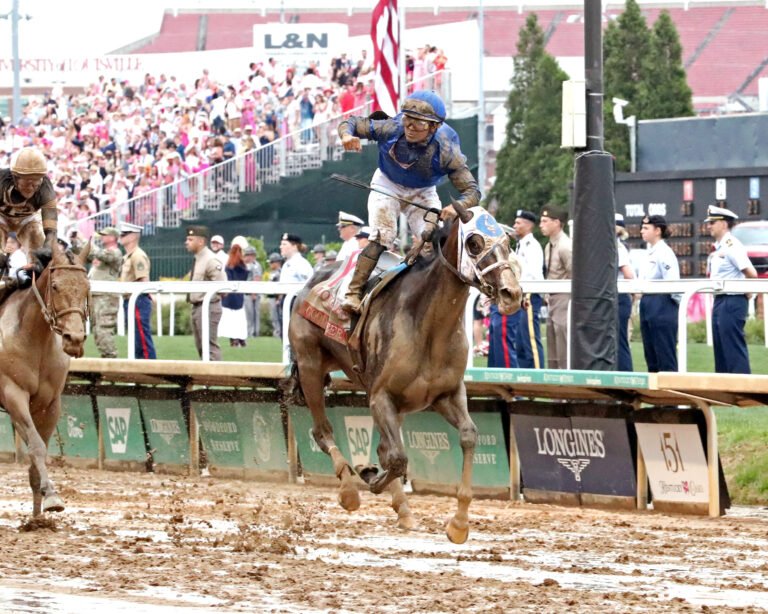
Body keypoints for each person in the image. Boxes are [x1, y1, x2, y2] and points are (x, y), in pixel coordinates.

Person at [337, 89, 480, 313]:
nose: (410, 127)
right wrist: (346, 135)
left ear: (434, 127)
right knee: (383, 235)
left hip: (422, 191)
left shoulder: (447, 149)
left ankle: (428, 297)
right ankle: (353, 292)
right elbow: (352, 122)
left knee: (433, 242)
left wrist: (455, 207)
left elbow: (472, 191)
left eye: (419, 123)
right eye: (408, 119)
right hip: (387, 183)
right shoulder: (392, 127)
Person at [705, 205, 758, 374]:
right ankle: (725, 394)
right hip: (720, 300)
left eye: (712, 222)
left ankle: (743, 391)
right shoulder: (720, 247)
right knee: (721, 350)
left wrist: (749, 293)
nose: (708, 226)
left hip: (732, 300)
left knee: (732, 348)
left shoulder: (732, 245)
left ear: (724, 224)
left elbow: (751, 273)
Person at [0, 147, 59, 289]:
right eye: (27, 182)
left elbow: (50, 226)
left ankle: (32, 275)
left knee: (36, 237)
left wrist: (48, 245)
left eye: (36, 182)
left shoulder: (45, 188)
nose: (32, 187)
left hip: (27, 221)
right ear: (14, 178)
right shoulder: (1, 180)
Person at [638, 215, 680, 372]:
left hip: (662, 302)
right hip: (648, 301)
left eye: (646, 228)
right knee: (651, 353)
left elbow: (673, 283)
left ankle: (670, 394)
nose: (642, 231)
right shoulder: (650, 252)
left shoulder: (664, 252)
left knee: (664, 353)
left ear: (657, 231)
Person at [185, 225, 227, 360]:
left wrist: (210, 299)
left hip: (208, 306)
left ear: (201, 241)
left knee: (209, 347)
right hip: (198, 307)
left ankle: (217, 378)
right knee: (201, 347)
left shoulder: (210, 259)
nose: (187, 242)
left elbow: (223, 287)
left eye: (190, 239)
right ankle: (208, 379)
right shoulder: (199, 259)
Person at [540, 205, 572, 369]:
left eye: (545, 221)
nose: (541, 225)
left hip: (564, 298)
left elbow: (574, 273)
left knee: (563, 343)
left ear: (557, 222)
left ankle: (567, 387)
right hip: (552, 298)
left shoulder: (565, 245)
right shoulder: (549, 246)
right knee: (552, 344)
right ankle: (556, 391)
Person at [513, 209, 545, 369]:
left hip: (529, 295)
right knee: (520, 340)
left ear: (527, 225)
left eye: (518, 223)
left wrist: (526, 294)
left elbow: (533, 273)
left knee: (530, 338)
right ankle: (525, 377)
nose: (514, 226)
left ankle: (538, 374)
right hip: (521, 294)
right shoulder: (520, 245)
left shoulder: (532, 246)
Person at [119, 221, 156, 359]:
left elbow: (143, 279)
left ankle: (150, 368)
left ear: (133, 236)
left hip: (138, 300)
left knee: (141, 338)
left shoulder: (137, 255)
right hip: (131, 300)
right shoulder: (129, 256)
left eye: (124, 234)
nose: (121, 237)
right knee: (136, 338)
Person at [87, 226, 123, 359]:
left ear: (113, 238)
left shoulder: (115, 253)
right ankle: (106, 358)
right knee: (97, 329)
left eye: (105, 235)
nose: (102, 237)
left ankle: (111, 359)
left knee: (103, 329)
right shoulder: (103, 253)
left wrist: (87, 244)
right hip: (98, 296)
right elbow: (88, 253)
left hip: (106, 297)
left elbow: (100, 254)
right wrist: (77, 242)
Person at [219, 236, 250, 347]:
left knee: (230, 319)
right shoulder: (243, 267)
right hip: (239, 295)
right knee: (239, 318)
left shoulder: (228, 266)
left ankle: (234, 339)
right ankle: (241, 338)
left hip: (229, 295)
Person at [615, 213, 634, 371]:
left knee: (619, 342)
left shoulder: (618, 248)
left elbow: (629, 275)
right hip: (617, 298)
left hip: (620, 298)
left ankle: (625, 377)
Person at [243, 245, 263, 337]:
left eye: (248, 255)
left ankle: (254, 333)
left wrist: (254, 293)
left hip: (251, 293)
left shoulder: (255, 265)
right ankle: (250, 332)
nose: (246, 257)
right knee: (248, 315)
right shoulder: (245, 265)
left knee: (253, 315)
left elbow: (257, 278)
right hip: (245, 293)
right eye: (246, 255)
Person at [266, 252, 284, 338]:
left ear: (277, 262)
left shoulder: (280, 272)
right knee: (273, 317)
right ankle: (276, 332)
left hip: (276, 298)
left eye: (271, 262)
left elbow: (280, 287)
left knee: (277, 317)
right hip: (271, 297)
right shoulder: (272, 272)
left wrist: (279, 299)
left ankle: (278, 333)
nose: (270, 264)